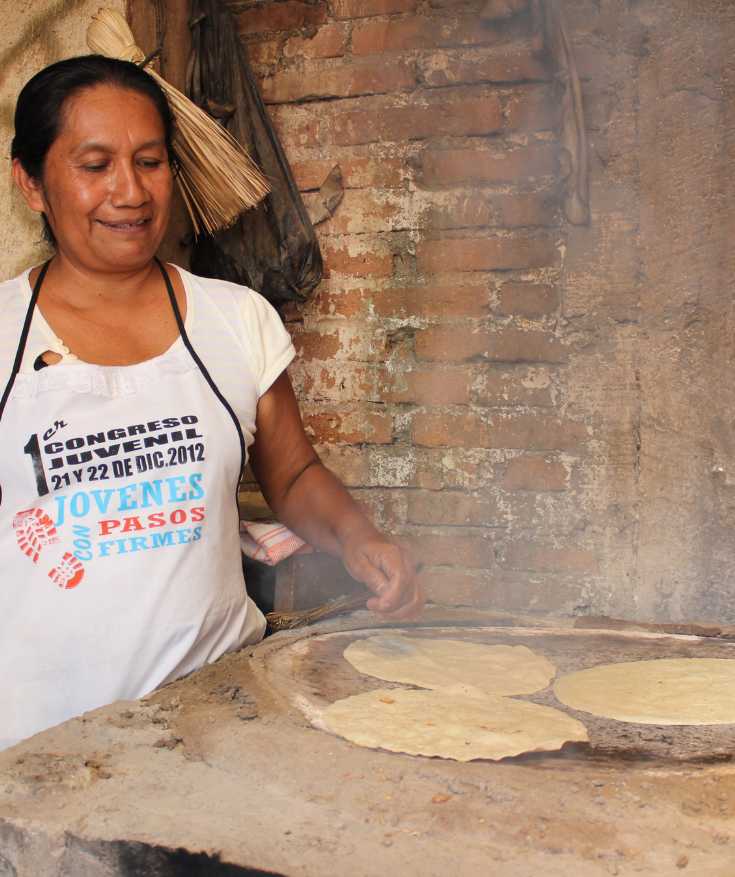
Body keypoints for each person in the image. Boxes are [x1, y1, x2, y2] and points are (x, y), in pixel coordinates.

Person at [0, 55, 423, 752]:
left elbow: (291, 476)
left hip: (218, 721)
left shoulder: (235, 318)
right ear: (31, 183)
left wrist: (359, 537)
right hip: (38, 736)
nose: (129, 192)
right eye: (94, 164)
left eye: (150, 161)